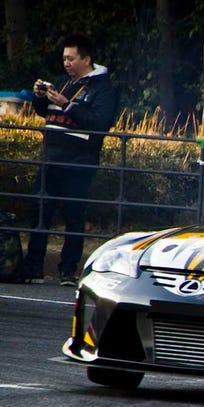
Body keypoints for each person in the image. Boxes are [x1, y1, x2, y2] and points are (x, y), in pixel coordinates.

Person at [25, 34, 118, 286]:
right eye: (64, 58)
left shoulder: (103, 89)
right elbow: (45, 112)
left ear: (86, 59)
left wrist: (68, 105)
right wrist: (40, 97)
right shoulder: (62, 82)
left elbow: (100, 122)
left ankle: (68, 270)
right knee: (40, 212)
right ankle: (33, 267)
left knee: (73, 215)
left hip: (79, 162)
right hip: (50, 158)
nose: (66, 63)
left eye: (71, 58)